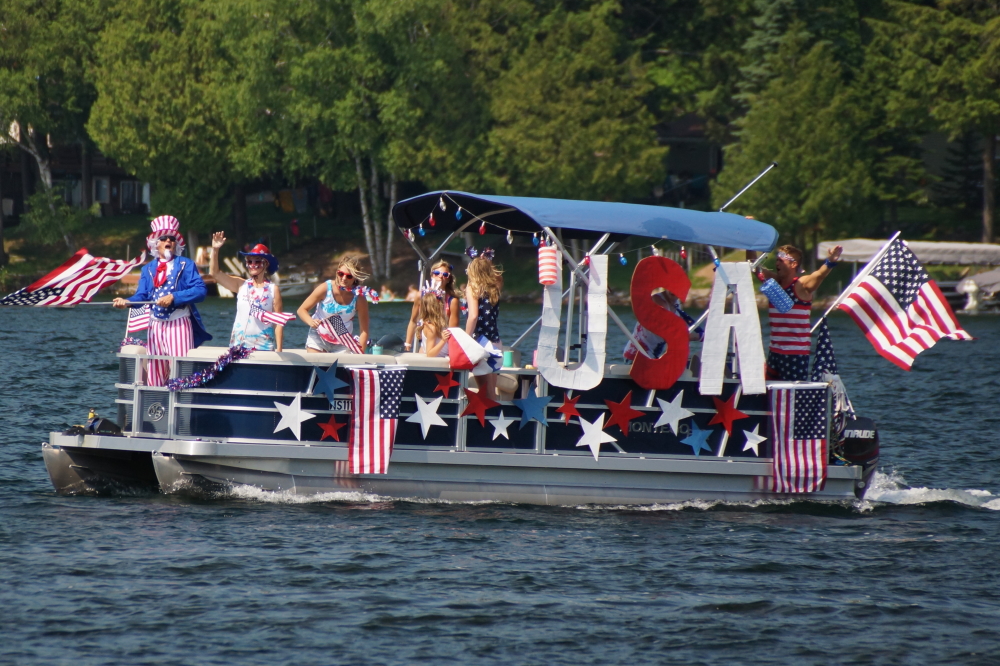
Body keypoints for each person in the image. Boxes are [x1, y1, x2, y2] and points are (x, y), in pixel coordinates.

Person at [113, 215, 211, 386]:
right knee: (155, 373)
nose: (168, 241)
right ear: (155, 244)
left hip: (178, 322)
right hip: (155, 326)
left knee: (181, 370)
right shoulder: (148, 269)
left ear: (176, 243)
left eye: (171, 239)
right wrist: (127, 302)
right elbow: (142, 296)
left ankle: (182, 409)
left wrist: (175, 297)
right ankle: (156, 408)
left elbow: (200, 291)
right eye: (163, 238)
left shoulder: (186, 265)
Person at [750, 243, 843, 381]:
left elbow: (819, 275)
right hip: (774, 352)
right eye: (777, 260)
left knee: (790, 394)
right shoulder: (774, 283)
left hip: (794, 354)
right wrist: (749, 240)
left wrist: (830, 261)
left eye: (781, 261)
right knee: (770, 393)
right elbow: (754, 266)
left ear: (793, 265)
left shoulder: (800, 284)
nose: (777, 263)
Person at [209, 232, 284, 352]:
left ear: (266, 264)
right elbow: (215, 274)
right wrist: (215, 249)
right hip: (238, 347)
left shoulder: (273, 289)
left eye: (257, 261)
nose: (252, 265)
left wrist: (279, 350)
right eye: (249, 262)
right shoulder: (241, 285)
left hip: (263, 348)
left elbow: (278, 323)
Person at [297, 255, 370, 353]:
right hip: (319, 337)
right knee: (317, 364)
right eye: (341, 274)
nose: (344, 278)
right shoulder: (325, 288)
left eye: (349, 276)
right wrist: (310, 321)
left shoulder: (359, 298)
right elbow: (301, 310)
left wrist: (360, 354)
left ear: (355, 278)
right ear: (337, 273)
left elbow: (364, 331)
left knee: (341, 367)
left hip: (343, 341)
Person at [623, 289, 703, 362]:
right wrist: (699, 336)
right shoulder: (657, 301)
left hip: (651, 356)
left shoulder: (676, 303)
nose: (673, 290)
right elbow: (673, 334)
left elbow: (681, 327)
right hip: (636, 356)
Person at [465, 248, 503, 398]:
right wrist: (486, 262)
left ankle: (484, 420)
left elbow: (473, 316)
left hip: (480, 342)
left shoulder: (472, 288)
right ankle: (493, 418)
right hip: (495, 341)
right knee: (491, 393)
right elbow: (498, 276)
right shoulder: (494, 288)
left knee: (483, 393)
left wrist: (466, 339)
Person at [404, 260, 461, 352]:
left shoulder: (452, 301)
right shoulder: (421, 296)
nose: (440, 276)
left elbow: (453, 330)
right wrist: (407, 344)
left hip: (444, 344)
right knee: (422, 353)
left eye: (445, 274)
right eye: (437, 273)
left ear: (449, 279)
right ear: (432, 275)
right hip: (426, 340)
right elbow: (413, 321)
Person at [417, 289, 452, 358]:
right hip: (439, 363)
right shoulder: (431, 328)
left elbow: (423, 348)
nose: (444, 306)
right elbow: (430, 354)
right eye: (442, 304)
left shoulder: (437, 324)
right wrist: (443, 340)